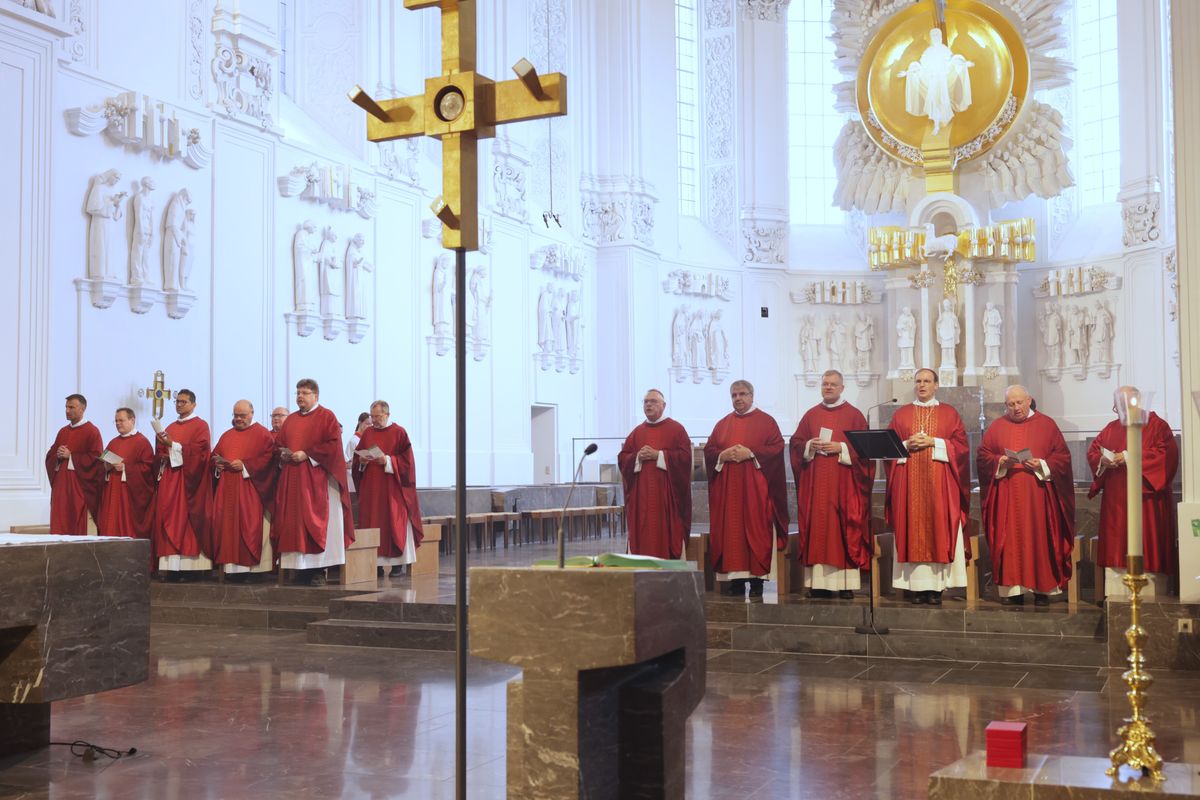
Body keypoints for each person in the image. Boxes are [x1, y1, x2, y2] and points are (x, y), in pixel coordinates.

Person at [976, 386, 1075, 606]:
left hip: (1038, 496)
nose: (1016, 408)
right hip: (1007, 497)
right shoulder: (997, 426)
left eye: (1019, 403)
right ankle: (1014, 592)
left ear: (1029, 400)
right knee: (1010, 540)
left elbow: (1063, 458)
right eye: (1011, 404)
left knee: (1040, 537)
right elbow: (983, 456)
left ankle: (1043, 591)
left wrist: (1043, 464)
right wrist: (999, 462)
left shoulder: (1047, 425)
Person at [884, 368, 970, 605]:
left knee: (939, 527)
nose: (921, 385)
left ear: (936, 385)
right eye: (918, 381)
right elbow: (888, 449)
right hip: (908, 485)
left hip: (939, 486)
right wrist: (905, 444)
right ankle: (917, 589)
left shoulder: (949, 414)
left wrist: (935, 442)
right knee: (912, 528)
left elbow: (962, 448)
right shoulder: (901, 415)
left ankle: (937, 588)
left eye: (927, 381)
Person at [1087, 386, 1179, 598]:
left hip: (1146, 505)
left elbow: (1166, 457)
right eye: (1117, 406)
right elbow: (1094, 450)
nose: (1120, 410)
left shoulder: (1157, 427)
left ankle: (1149, 606)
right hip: (1116, 506)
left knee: (1146, 551)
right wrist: (1102, 460)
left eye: (1125, 404)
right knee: (1117, 557)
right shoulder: (1111, 428)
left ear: (1138, 402)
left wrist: (1127, 457)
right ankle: (1116, 603)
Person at [789, 371, 873, 600]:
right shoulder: (811, 415)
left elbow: (866, 453)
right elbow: (795, 444)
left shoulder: (855, 416)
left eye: (833, 384)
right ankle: (818, 585)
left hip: (844, 486)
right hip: (816, 487)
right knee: (818, 529)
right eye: (825, 384)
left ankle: (845, 584)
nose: (828, 388)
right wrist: (808, 445)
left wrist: (842, 448)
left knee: (842, 528)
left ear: (842, 388)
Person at [704, 380, 789, 598]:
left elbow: (777, 448)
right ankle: (737, 582)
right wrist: (722, 455)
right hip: (729, 492)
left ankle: (757, 581)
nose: (738, 398)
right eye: (734, 395)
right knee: (733, 533)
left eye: (742, 394)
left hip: (756, 492)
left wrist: (751, 453)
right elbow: (711, 450)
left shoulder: (766, 422)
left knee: (756, 531)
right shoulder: (723, 424)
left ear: (752, 396)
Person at [274, 378, 355, 586]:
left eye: (304, 392)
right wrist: (283, 454)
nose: (300, 396)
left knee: (315, 524)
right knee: (294, 524)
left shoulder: (326, 417)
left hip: (316, 481)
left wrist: (307, 454)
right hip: (292, 480)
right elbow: (280, 443)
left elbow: (332, 446)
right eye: (298, 392)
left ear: (315, 396)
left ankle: (319, 570)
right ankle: (299, 571)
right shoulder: (290, 420)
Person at [617, 389, 693, 560]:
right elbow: (623, 458)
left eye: (653, 401)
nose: (648, 404)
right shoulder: (637, 432)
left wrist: (659, 455)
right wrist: (637, 457)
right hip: (641, 499)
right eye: (645, 402)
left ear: (663, 405)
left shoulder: (676, 430)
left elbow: (685, 459)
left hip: (666, 501)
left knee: (663, 534)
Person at [352, 401, 423, 577]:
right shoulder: (368, 433)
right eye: (372, 417)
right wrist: (360, 462)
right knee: (372, 522)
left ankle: (397, 565)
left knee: (392, 523)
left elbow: (408, 463)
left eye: (378, 416)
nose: (374, 420)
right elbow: (357, 457)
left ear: (387, 414)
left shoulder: (399, 432)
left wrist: (389, 461)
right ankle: (374, 564)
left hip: (392, 489)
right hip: (371, 490)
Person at [211, 400, 278, 578]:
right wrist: (217, 465)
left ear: (252, 413)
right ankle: (232, 571)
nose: (239, 419)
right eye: (236, 415)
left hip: (250, 489)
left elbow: (269, 459)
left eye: (242, 415)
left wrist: (245, 465)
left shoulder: (262, 434)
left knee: (248, 527)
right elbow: (215, 455)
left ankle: (252, 572)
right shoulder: (227, 435)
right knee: (227, 528)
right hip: (227, 487)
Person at [151, 389, 214, 579]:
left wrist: (173, 445)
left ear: (193, 404)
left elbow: (201, 453)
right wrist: (163, 454)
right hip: (170, 480)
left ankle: (191, 569)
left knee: (186, 520)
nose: (179, 405)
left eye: (183, 402)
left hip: (189, 483)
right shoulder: (170, 426)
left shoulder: (200, 426)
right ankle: (171, 568)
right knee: (166, 518)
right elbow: (161, 451)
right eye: (177, 401)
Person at [45, 393, 104, 534]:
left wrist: (71, 456)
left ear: (82, 409)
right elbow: (50, 456)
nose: (67, 410)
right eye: (66, 407)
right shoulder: (63, 431)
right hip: (61, 487)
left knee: (75, 522)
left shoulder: (92, 431)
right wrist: (57, 455)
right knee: (60, 521)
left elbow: (96, 458)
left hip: (79, 487)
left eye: (72, 407)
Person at [96, 407, 155, 539]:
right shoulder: (113, 442)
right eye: (116, 421)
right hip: (112, 491)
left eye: (121, 420)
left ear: (132, 420)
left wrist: (126, 468)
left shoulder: (142, 442)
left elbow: (148, 468)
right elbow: (102, 465)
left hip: (128, 494)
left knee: (125, 528)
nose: (118, 423)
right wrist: (107, 466)